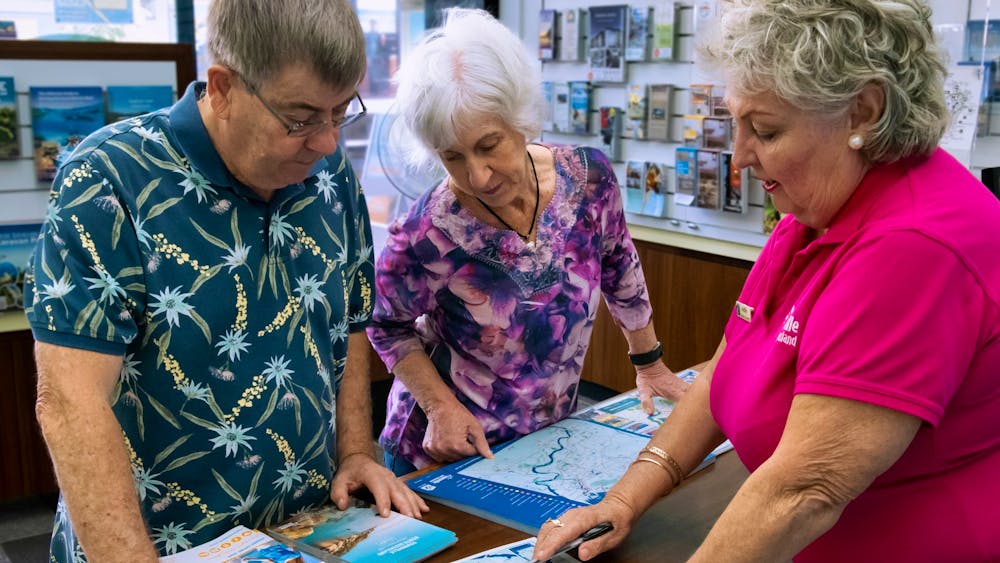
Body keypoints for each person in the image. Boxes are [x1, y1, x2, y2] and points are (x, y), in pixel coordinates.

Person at [533, 1, 1000, 561]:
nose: (739, 158)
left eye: (766, 131)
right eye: (736, 124)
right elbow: (725, 369)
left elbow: (804, 490)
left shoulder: (913, 245)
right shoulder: (817, 209)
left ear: (863, 112)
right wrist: (624, 500)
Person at [24, 1, 427, 560]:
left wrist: (356, 449)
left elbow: (349, 322)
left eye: (340, 112)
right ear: (223, 88)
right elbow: (69, 399)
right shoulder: (109, 180)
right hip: (160, 542)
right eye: (301, 118)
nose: (327, 142)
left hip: (307, 529)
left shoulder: (327, 173)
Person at [366, 8, 690, 477]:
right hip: (441, 453)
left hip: (547, 439)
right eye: (452, 156)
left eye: (489, 144)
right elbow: (384, 325)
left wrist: (650, 364)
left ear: (521, 119)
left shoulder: (589, 179)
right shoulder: (425, 232)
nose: (477, 175)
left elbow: (620, 266)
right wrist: (439, 407)